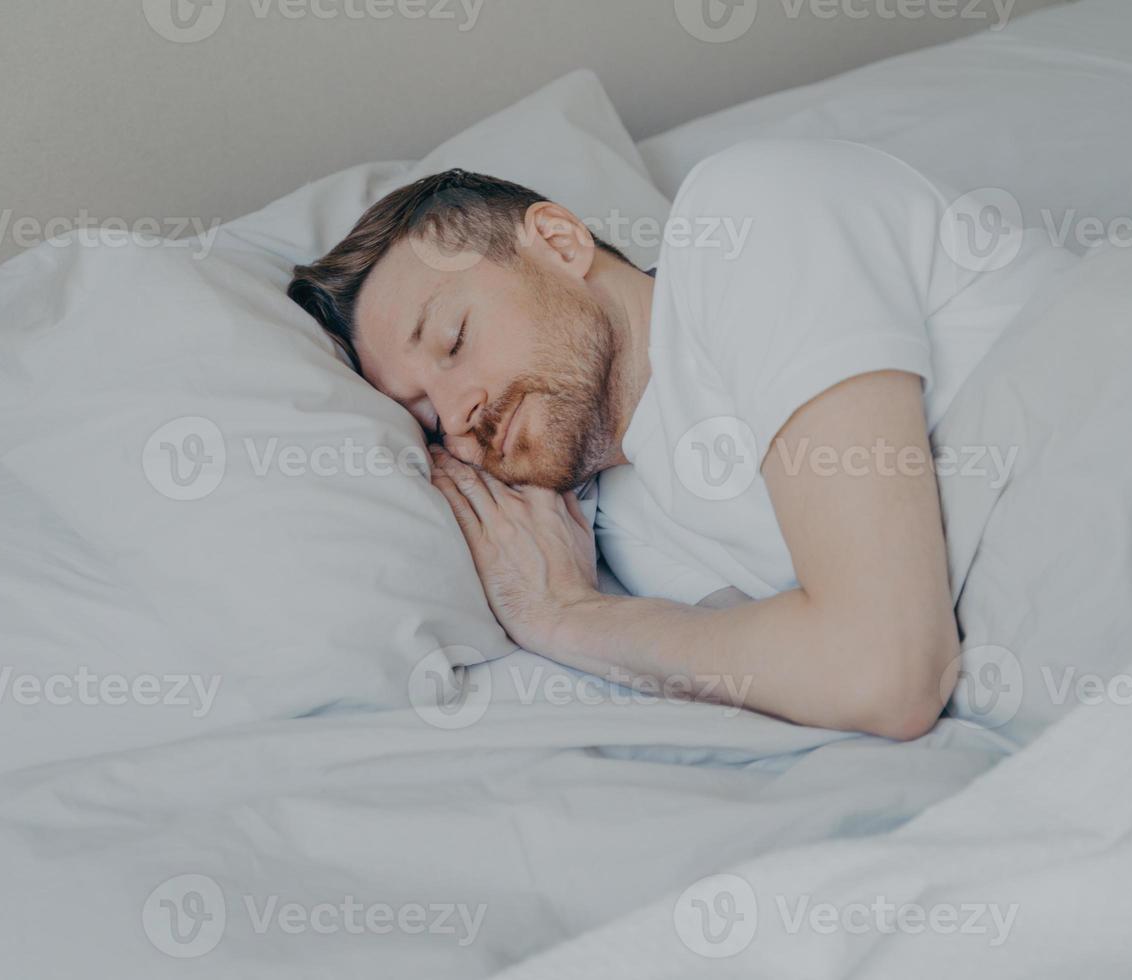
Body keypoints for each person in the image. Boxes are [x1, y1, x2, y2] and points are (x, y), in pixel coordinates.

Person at [289, 138, 1073, 739]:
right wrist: (572, 603)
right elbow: (828, 677)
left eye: (455, 339)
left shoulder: (744, 222)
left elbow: (888, 669)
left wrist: (565, 615)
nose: (459, 416)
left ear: (559, 243)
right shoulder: (627, 536)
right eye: (425, 418)